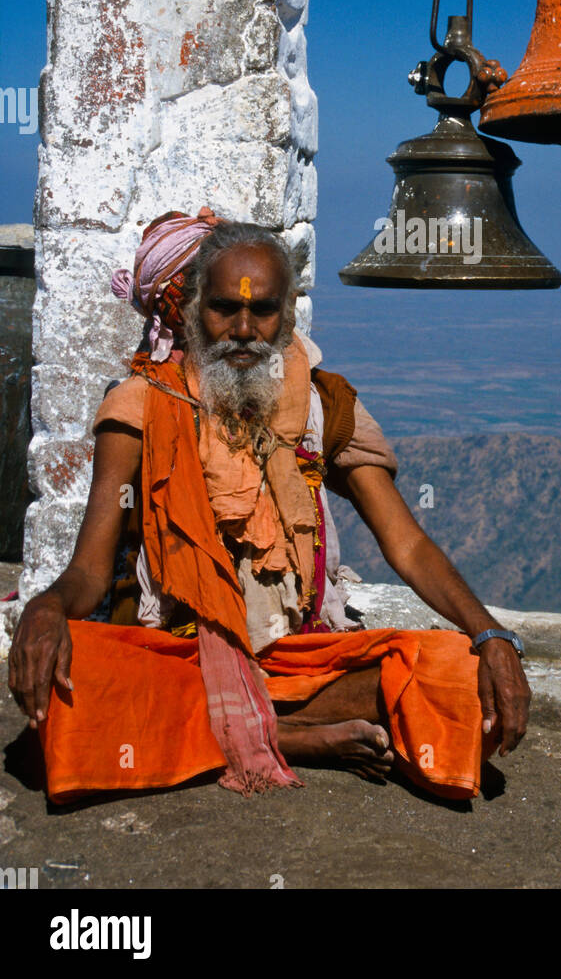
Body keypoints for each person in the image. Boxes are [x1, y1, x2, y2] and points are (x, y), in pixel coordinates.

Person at [8, 209, 531, 801]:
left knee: (463, 682)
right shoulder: (139, 408)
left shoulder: (321, 407)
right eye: (224, 307)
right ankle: (284, 736)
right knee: (62, 695)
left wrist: (492, 636)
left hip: (300, 663)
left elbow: (406, 544)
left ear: (285, 320)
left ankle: (253, 725)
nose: (243, 328)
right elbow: (88, 570)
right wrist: (48, 607)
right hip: (185, 664)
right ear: (191, 312)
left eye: (262, 310)